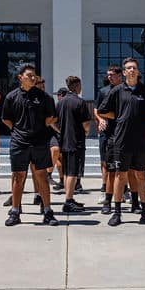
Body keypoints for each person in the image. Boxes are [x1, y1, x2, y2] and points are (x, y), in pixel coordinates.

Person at [97, 58, 145, 227]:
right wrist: (120, 116)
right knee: (121, 175)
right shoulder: (117, 91)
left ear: (138, 71)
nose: (132, 70)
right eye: (128, 68)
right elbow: (104, 111)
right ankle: (117, 212)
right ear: (124, 73)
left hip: (140, 141)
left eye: (134, 67)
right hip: (121, 141)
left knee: (141, 175)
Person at [2, 63, 59, 227]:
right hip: (19, 142)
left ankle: (48, 211)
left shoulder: (43, 97)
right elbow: (6, 119)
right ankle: (15, 211)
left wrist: (38, 128)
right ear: (20, 78)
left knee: (42, 176)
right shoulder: (11, 97)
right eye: (29, 75)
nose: (33, 78)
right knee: (18, 177)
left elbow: (51, 117)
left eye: (34, 75)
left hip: (40, 142)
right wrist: (18, 130)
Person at [56, 76, 90, 213]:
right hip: (76, 141)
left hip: (64, 141)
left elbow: (52, 121)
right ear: (76, 86)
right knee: (72, 173)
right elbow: (86, 124)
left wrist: (61, 131)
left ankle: (69, 197)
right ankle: (68, 201)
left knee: (66, 171)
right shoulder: (80, 102)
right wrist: (86, 132)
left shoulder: (60, 102)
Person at [96, 65, 123, 214]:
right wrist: (100, 119)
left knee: (126, 168)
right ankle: (106, 197)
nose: (109, 77)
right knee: (108, 164)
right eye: (108, 75)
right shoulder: (104, 91)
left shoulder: (126, 90)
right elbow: (97, 109)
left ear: (120, 76)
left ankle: (125, 192)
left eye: (112, 75)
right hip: (108, 134)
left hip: (124, 134)